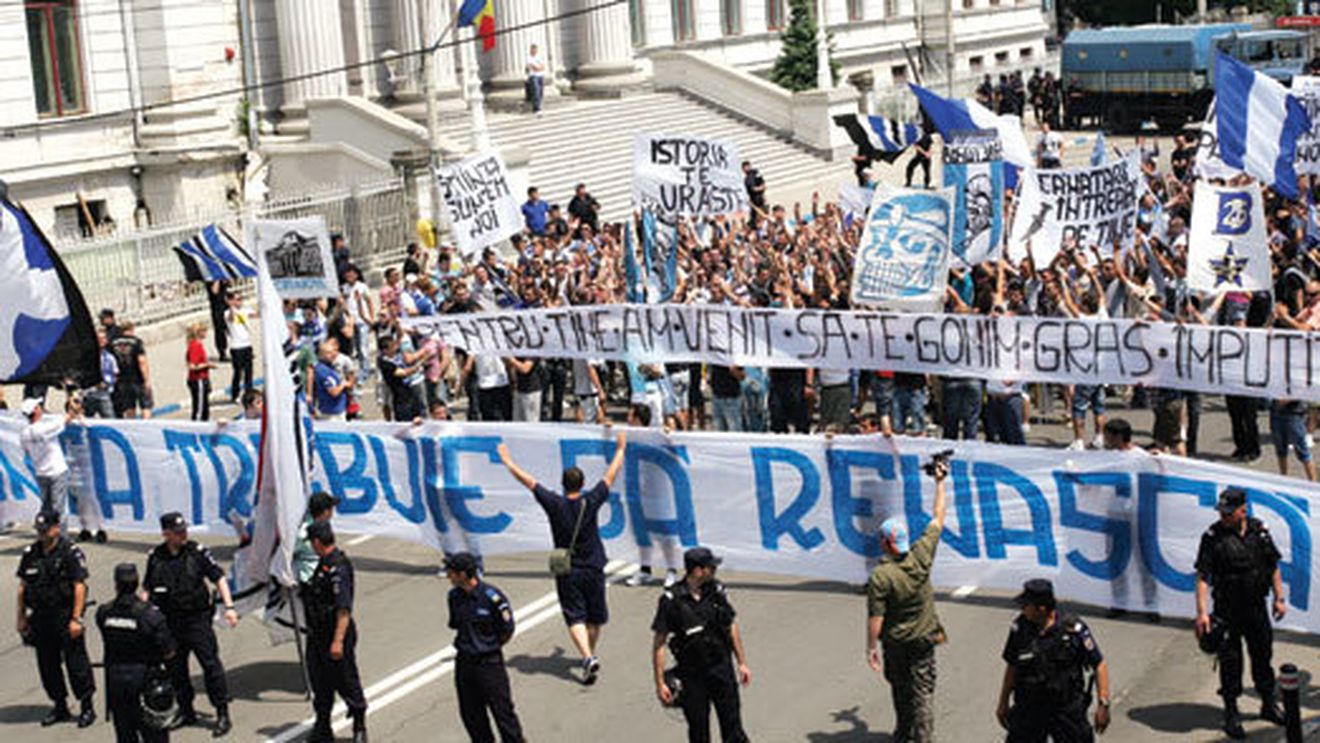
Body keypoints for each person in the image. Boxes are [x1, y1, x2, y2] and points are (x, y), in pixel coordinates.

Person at [497, 430, 627, 684]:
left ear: (563, 484)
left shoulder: (554, 504)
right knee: (594, 615)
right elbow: (610, 476)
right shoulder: (591, 501)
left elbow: (529, 481)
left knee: (574, 614)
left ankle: (587, 656)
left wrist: (508, 462)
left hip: (567, 568)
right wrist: (620, 449)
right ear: (582, 484)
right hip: (593, 565)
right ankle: (588, 654)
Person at [866, 454, 949, 742]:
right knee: (923, 690)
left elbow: (876, 617)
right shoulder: (921, 555)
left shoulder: (881, 576)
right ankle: (923, 737)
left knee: (900, 687)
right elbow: (939, 516)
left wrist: (870, 647)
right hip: (924, 636)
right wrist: (940, 483)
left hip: (896, 641)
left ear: (886, 543)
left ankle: (903, 732)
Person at [1194, 487, 1287, 739]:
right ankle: (1231, 712)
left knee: (1263, 657)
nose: (1223, 517)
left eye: (1228, 512)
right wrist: (1202, 613)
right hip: (1227, 611)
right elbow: (1203, 576)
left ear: (1242, 511)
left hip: (1256, 608)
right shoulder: (1213, 537)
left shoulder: (1260, 532)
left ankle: (1268, 703)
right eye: (1221, 512)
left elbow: (1273, 566)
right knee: (1231, 663)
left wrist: (1279, 598)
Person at [144, 512, 238, 736]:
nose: (183, 534)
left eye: (184, 530)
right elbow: (147, 589)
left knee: (210, 666)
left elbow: (218, 577)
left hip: (196, 620)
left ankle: (222, 713)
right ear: (166, 534)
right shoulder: (156, 557)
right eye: (177, 532)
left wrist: (230, 607)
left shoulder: (197, 552)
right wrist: (141, 614)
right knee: (176, 670)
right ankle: (187, 710)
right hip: (170, 622)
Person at [652, 547, 752, 743]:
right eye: (710, 567)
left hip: (721, 669)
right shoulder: (671, 600)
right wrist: (660, 683)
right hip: (692, 675)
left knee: (733, 728)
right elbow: (659, 644)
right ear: (697, 571)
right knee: (699, 732)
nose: (714, 570)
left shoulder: (716, 591)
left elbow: (730, 625)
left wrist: (741, 662)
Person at [995, 578, 1112, 742]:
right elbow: (1012, 666)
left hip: (1065, 708)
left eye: (1026, 605)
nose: (1022, 609)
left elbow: (1099, 665)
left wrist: (1103, 704)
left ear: (1041, 608)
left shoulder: (1073, 629)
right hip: (1030, 707)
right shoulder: (1020, 628)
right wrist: (1003, 702)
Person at [16, 509, 96, 728]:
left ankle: (87, 706)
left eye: (45, 530)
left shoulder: (70, 552)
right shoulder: (31, 553)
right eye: (39, 530)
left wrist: (76, 619)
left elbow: (80, 586)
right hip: (41, 619)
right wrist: (21, 617)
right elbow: (23, 587)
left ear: (56, 528)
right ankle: (59, 705)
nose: (41, 534)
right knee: (48, 666)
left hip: (65, 616)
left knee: (76, 664)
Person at [444, 551, 525, 743]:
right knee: (471, 715)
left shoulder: (492, 598)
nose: (448, 575)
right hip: (464, 662)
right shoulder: (454, 597)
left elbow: (507, 629)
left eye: (451, 571)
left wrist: (489, 647)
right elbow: (456, 624)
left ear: (463, 574)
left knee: (503, 714)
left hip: (489, 664)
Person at [96, 562, 176, 743]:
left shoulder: (104, 613)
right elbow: (169, 651)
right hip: (145, 681)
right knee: (154, 734)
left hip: (116, 682)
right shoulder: (150, 615)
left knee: (125, 734)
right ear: (137, 582)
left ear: (116, 584)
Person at [303, 521, 368, 743]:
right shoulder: (323, 565)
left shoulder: (338, 567)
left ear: (317, 542)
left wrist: (338, 641)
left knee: (346, 680)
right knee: (320, 684)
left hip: (335, 635)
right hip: (317, 635)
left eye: (311, 542)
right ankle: (323, 726)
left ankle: (359, 727)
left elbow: (343, 609)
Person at [20, 396, 80, 514]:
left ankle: (45, 529)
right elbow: (68, 418)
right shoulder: (45, 428)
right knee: (59, 507)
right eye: (38, 406)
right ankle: (60, 531)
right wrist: (74, 406)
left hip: (41, 472)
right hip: (56, 471)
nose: (41, 408)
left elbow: (26, 450)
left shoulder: (24, 434)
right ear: (35, 411)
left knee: (46, 506)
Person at [295, 492, 340, 585]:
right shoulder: (304, 533)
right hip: (308, 581)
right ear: (325, 511)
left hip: (323, 577)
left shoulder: (324, 526)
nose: (332, 512)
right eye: (331, 508)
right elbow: (289, 553)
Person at [110, 320, 153, 418]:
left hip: (122, 380)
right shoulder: (136, 342)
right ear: (132, 329)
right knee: (145, 406)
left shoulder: (113, 343)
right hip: (137, 379)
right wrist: (146, 380)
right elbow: (142, 361)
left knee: (129, 407)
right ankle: (146, 428)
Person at [224, 292, 255, 403]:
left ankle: (249, 394)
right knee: (238, 372)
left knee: (249, 372)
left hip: (247, 345)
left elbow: (256, 314)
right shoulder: (227, 313)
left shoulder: (245, 310)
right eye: (237, 299)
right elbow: (231, 319)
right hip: (236, 347)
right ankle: (235, 394)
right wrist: (231, 306)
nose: (239, 301)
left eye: (240, 299)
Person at [186, 322, 218, 421]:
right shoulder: (195, 346)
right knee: (200, 408)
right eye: (204, 331)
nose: (206, 333)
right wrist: (207, 365)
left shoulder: (197, 345)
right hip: (198, 379)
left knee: (204, 407)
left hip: (202, 378)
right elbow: (192, 366)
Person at [525, 43, 546, 116]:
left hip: (540, 75)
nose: (534, 51)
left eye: (535, 49)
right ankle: (536, 109)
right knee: (536, 91)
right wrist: (538, 67)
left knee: (540, 92)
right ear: (531, 50)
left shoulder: (539, 57)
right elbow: (531, 67)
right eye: (533, 49)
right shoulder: (528, 58)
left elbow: (543, 66)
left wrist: (538, 68)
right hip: (533, 76)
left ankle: (538, 105)